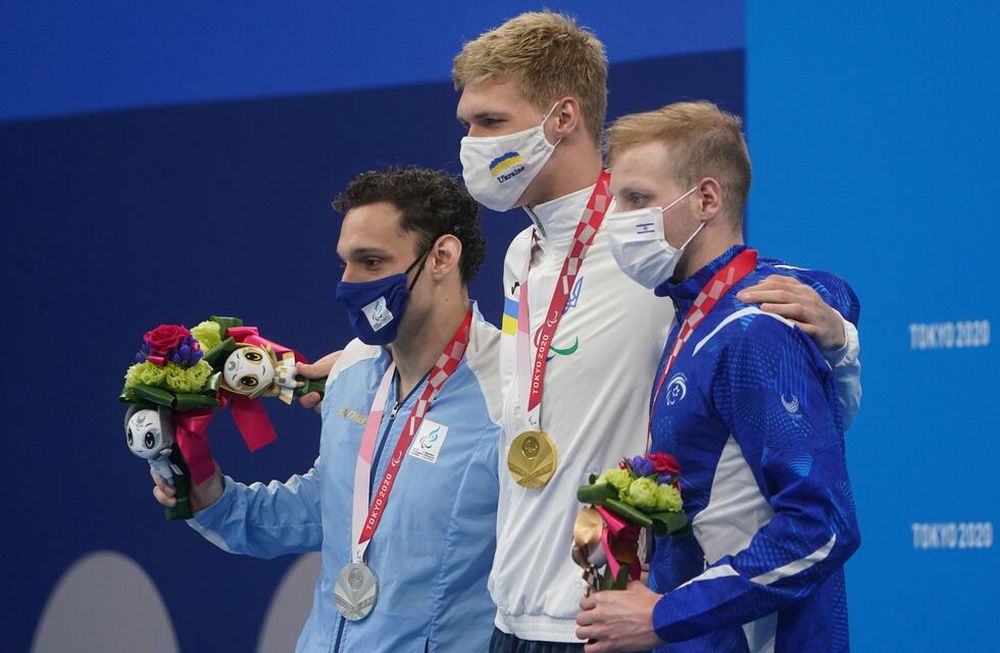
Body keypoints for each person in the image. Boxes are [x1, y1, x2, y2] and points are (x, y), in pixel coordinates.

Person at [448, 13, 861, 652]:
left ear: (562, 118)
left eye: (491, 123)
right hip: (514, 609)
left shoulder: (650, 244)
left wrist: (838, 330)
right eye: (467, 124)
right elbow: (527, 382)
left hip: (624, 614)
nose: (471, 142)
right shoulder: (521, 255)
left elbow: (753, 288)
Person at [152, 167, 503, 652]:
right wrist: (209, 492)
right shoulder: (353, 369)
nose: (348, 283)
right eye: (345, 263)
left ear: (442, 256)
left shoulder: (509, 393)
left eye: (371, 262)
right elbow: (326, 508)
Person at [574, 101, 861, 652]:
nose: (616, 220)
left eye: (637, 199)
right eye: (615, 199)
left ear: (706, 198)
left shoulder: (755, 328)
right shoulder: (693, 316)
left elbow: (822, 527)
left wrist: (665, 616)